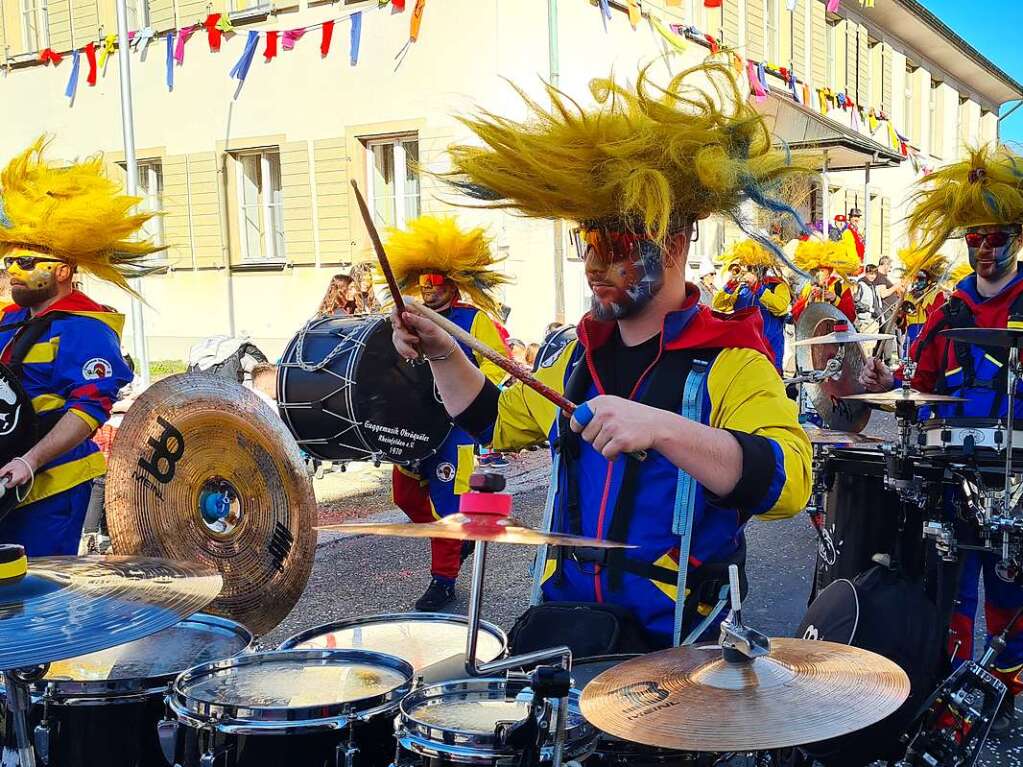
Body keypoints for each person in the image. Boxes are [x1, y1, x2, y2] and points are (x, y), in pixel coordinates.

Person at [392, 61, 812, 649]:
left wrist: (662, 428)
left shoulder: (731, 359)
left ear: (674, 242)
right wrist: (442, 352)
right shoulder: (573, 358)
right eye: (587, 242)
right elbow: (494, 420)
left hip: (680, 647)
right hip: (570, 634)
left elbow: (789, 482)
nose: (592, 266)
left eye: (614, 246)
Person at [859, 145, 1023, 736]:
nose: (984, 247)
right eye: (974, 237)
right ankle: (950, 696)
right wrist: (889, 382)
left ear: (1017, 236)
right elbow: (920, 384)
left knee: (1010, 587)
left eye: (995, 236)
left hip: (1017, 471)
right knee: (951, 588)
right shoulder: (948, 307)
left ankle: (1004, 692)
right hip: (953, 469)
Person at [0, 139, 149, 555]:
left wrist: (30, 461)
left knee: (36, 600)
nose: (13, 271)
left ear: (63, 271)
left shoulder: (86, 329)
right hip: (6, 483)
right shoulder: (10, 321)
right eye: (9, 263)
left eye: (26, 263)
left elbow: (87, 410)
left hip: (51, 487)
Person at [384, 214, 510, 610]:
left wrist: (467, 389)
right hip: (417, 427)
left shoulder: (475, 321)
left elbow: (498, 370)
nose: (428, 287)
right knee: (405, 496)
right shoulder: (410, 322)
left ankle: (443, 580)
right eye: (423, 280)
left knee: (445, 508)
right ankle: (458, 545)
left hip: (457, 432)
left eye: (436, 280)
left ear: (454, 282)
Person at [712, 240, 791, 373]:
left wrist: (757, 288)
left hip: (769, 349)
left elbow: (781, 307)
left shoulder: (777, 285)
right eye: (746, 267)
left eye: (750, 267)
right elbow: (718, 304)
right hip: (743, 348)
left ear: (761, 268)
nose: (747, 270)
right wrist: (731, 284)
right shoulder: (740, 288)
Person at [894, 246, 947, 354]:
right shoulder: (908, 295)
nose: (917, 283)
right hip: (911, 333)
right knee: (907, 360)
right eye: (915, 279)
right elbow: (903, 322)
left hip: (927, 332)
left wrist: (922, 301)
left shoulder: (936, 293)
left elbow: (937, 316)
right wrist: (899, 317)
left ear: (928, 280)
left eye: (920, 280)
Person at [791, 239, 859, 323]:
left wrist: (835, 299)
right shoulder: (808, 288)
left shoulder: (841, 287)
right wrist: (808, 302)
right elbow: (795, 315)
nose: (817, 274)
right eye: (815, 271)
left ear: (829, 271)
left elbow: (851, 316)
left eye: (821, 271)